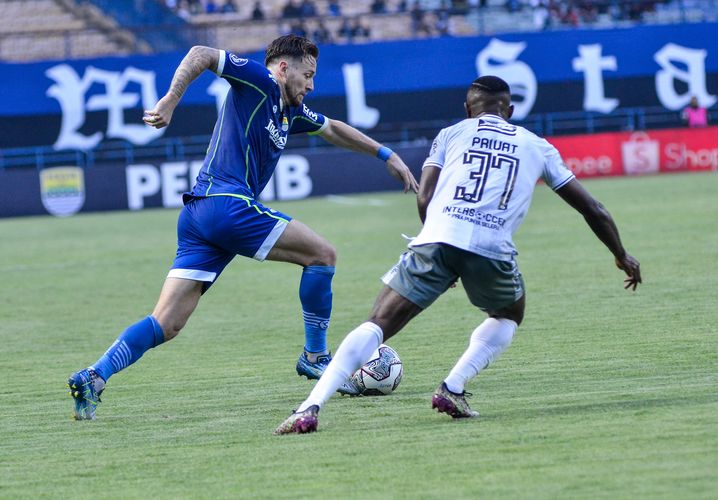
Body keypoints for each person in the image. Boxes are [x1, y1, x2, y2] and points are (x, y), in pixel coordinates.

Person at [67, 35, 418, 420]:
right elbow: (200, 54)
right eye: (308, 74)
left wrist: (388, 155)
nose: (312, 84)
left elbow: (333, 129)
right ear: (284, 68)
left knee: (166, 323)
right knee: (322, 255)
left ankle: (94, 376)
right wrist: (170, 100)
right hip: (225, 205)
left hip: (200, 216)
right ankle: (315, 356)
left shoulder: (289, 112)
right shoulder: (260, 81)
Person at [275, 75, 642, 435]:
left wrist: (436, 242)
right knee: (509, 314)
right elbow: (593, 209)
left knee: (377, 324)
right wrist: (621, 254)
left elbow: (424, 197)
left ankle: (310, 407)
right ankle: (452, 387)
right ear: (510, 110)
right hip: (491, 247)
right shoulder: (538, 146)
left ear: (468, 109)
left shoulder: (451, 133)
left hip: (436, 238)